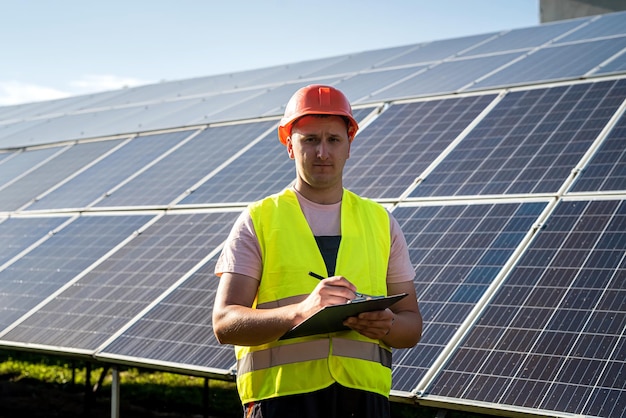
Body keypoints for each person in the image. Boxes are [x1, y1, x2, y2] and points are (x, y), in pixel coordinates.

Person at [212, 84, 422, 418]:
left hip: (364, 404)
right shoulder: (259, 219)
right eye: (309, 140)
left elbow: (411, 326)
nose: (322, 152)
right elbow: (224, 323)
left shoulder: (381, 222)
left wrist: (387, 325)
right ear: (289, 146)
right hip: (279, 403)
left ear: (349, 145)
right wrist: (300, 312)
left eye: (333, 140)